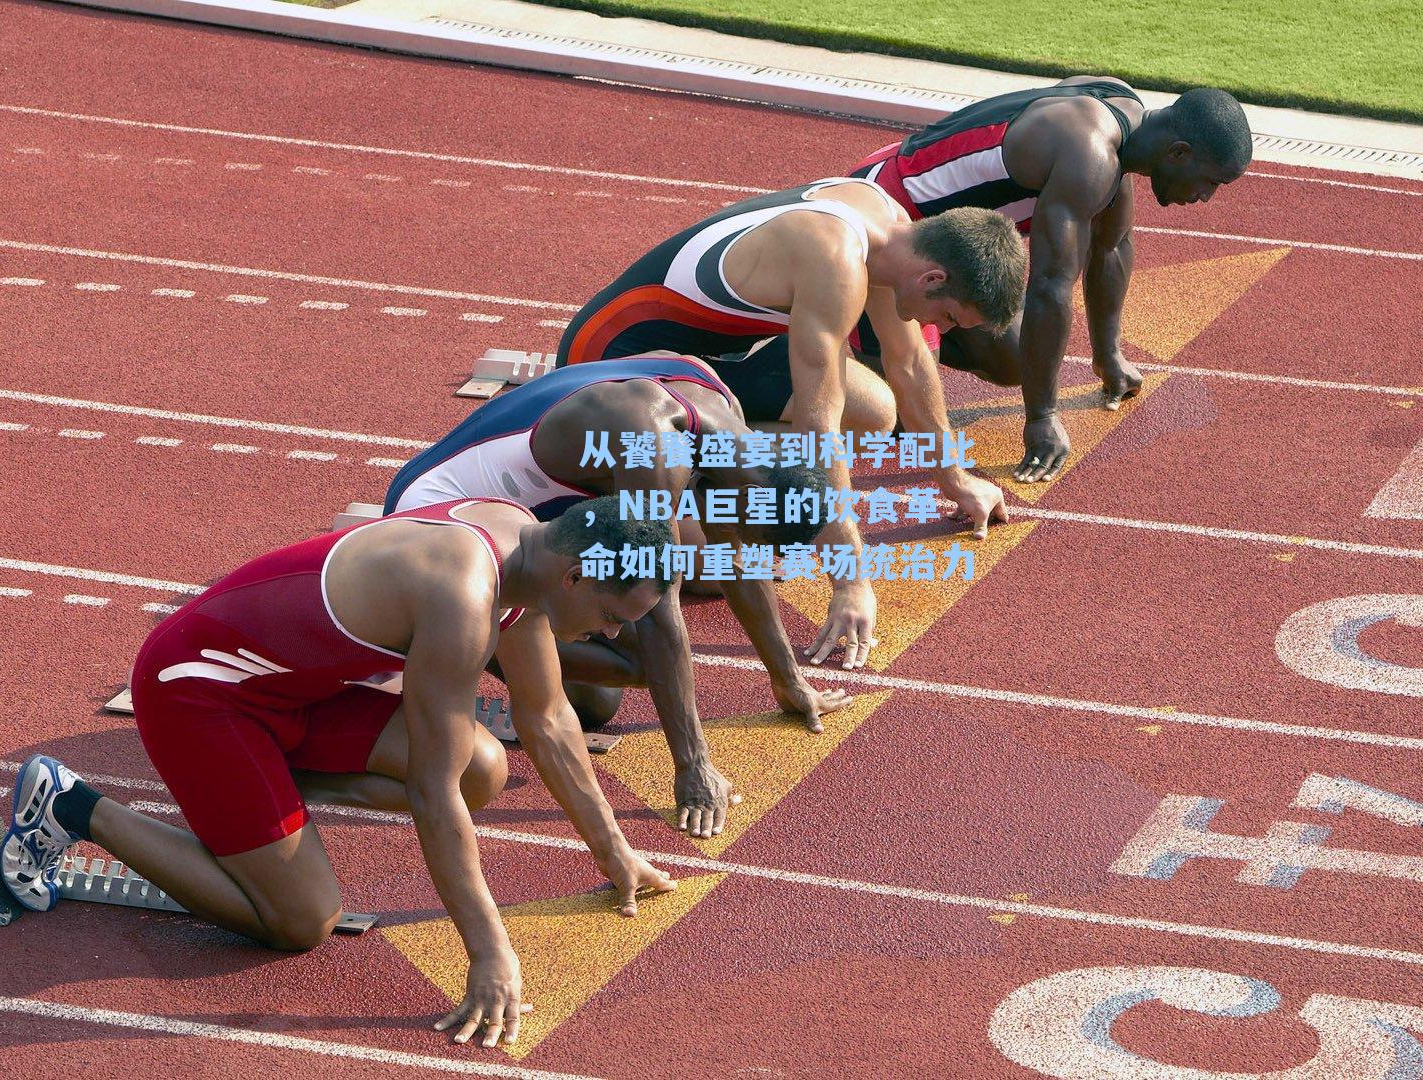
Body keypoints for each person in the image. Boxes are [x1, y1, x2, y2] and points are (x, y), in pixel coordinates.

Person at [0, 495, 674, 1050]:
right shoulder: (463, 595)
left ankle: (253, 803)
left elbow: (548, 716)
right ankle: (71, 805)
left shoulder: (523, 548)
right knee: (302, 920)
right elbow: (431, 792)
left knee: (483, 767)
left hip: (293, 695)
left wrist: (614, 852)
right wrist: (490, 952)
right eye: (614, 617)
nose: (614, 636)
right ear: (575, 577)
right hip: (199, 692)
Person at [556, 176, 1026, 666]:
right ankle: (693, 483)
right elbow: (818, 431)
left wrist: (954, 478)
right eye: (949, 318)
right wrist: (850, 580)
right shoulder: (835, 260)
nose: (939, 329)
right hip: (609, 364)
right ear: (932, 279)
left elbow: (908, 361)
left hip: (704, 356)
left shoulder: (893, 230)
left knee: (873, 411)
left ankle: (709, 474)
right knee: (710, 566)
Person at [384, 352, 851, 838]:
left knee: (605, 695)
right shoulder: (654, 451)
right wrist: (693, 766)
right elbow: (658, 611)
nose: (733, 539)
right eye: (744, 531)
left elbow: (732, 559)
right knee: (641, 660)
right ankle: (465, 647)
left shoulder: (721, 410)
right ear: (751, 501)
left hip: (515, 514)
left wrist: (789, 680)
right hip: (437, 516)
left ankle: (501, 645)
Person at [851, 82, 1252, 482]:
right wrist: (1042, 417)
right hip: (887, 218)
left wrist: (1108, 355)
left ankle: (900, 338)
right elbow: (1049, 286)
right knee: (894, 417)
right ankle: (843, 331)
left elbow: (1112, 245)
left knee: (1014, 355)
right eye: (1211, 181)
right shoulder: (1088, 155)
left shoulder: (1121, 115)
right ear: (1178, 152)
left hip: (931, 233)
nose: (1206, 196)